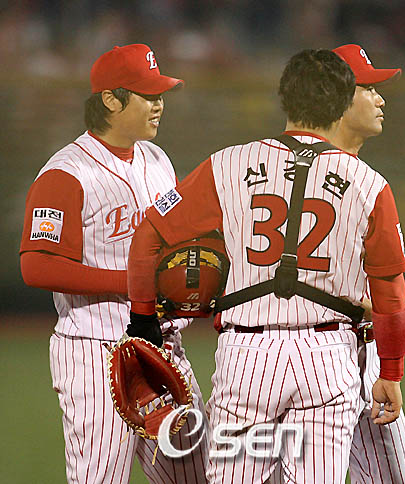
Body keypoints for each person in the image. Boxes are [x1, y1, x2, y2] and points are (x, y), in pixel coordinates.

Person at [126, 48, 405, 483]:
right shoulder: (371, 185)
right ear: (341, 104)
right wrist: (390, 371)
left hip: (248, 359)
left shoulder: (226, 164)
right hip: (327, 360)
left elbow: (149, 234)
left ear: (285, 98)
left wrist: (144, 319)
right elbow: (390, 295)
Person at [19, 44, 208, 484]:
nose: (159, 104)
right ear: (110, 100)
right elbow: (37, 266)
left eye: (161, 94)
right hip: (96, 352)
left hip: (163, 347)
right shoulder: (66, 173)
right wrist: (134, 282)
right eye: (148, 95)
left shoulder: (157, 160)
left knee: (201, 476)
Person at [330, 43, 405, 484]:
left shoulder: (360, 177)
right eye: (369, 88)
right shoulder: (313, 178)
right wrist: (376, 307)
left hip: (363, 352)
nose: (381, 99)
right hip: (315, 353)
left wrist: (383, 310)